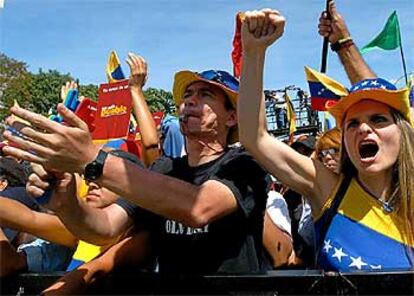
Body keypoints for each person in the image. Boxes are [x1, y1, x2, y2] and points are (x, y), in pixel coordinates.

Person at [3, 67, 270, 274]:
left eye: (206, 95)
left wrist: (90, 159)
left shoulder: (244, 163)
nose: (190, 101)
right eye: (187, 95)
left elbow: (199, 208)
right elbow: (104, 228)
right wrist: (66, 204)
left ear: (232, 117)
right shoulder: (164, 169)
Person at [238, 8, 413, 271]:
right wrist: (253, 52)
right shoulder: (328, 188)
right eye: (352, 123)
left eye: (378, 120)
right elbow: (255, 137)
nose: (364, 129)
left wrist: (344, 43)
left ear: (403, 132)